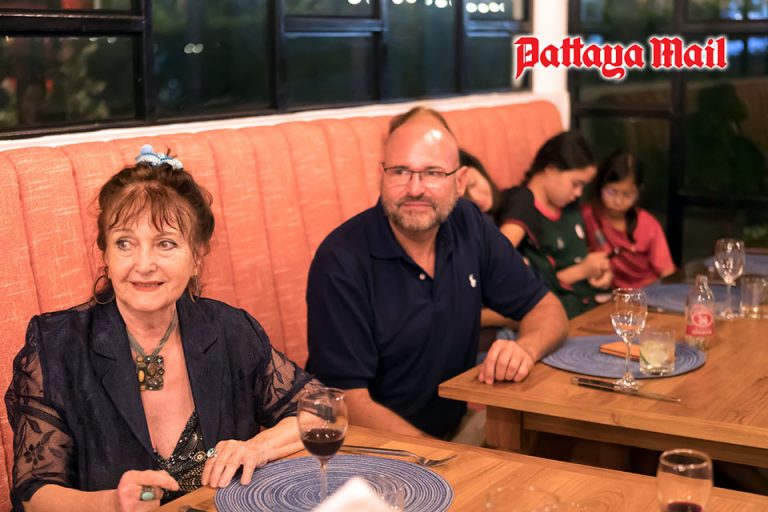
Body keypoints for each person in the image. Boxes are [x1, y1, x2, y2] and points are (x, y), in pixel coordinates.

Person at [5, 146, 321, 512]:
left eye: (165, 243)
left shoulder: (231, 330)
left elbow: (321, 412)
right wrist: (112, 504)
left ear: (197, 256)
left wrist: (258, 447)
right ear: (105, 254)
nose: (143, 264)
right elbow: (34, 493)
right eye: (125, 243)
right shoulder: (55, 347)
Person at [305, 107, 568, 440]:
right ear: (381, 176)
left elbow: (547, 309)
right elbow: (346, 402)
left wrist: (525, 349)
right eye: (400, 171)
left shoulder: (470, 224)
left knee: (561, 440)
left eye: (432, 173)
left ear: (460, 182)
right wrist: (446, 459)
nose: (415, 189)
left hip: (451, 432)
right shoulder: (341, 259)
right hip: (369, 447)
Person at [495, 131, 611, 318]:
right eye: (575, 184)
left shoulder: (571, 208)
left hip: (595, 303)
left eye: (583, 186)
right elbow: (528, 281)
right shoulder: (522, 209)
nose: (579, 193)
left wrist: (601, 271)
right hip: (562, 314)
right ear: (551, 169)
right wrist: (581, 271)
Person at [582, 152, 675, 288]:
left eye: (626, 194)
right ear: (600, 186)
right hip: (608, 293)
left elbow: (667, 272)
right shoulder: (588, 215)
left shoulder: (648, 224)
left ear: (638, 192)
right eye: (611, 192)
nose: (618, 201)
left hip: (647, 292)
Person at [460, 148, 499, 216]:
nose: (475, 197)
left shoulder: (514, 198)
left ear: (479, 170)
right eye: (464, 197)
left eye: (473, 184)